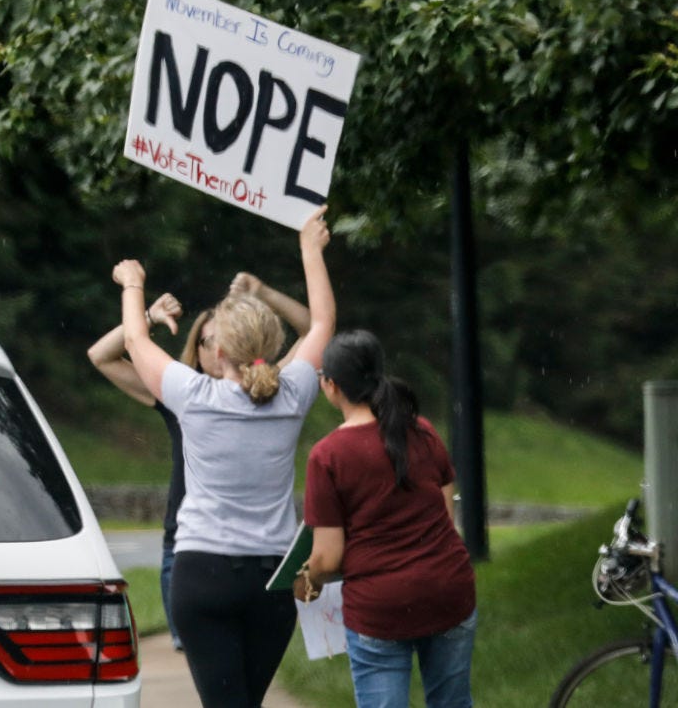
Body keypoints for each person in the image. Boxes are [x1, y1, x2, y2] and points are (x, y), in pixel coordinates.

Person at [111, 206, 335, 707]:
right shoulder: (293, 394)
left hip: (203, 574)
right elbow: (322, 322)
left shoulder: (193, 395)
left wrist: (133, 284)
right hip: (273, 579)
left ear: (218, 352)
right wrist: (309, 250)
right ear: (270, 344)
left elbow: (134, 339)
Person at [87, 277, 311, 652]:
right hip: (188, 547)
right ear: (201, 349)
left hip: (254, 554)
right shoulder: (178, 392)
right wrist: (146, 317)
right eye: (211, 340)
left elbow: (311, 330)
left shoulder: (269, 391)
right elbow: (101, 355)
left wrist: (262, 292)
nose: (222, 346)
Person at [294, 329, 477, 708]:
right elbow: (446, 519)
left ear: (331, 385)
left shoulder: (328, 456)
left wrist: (305, 581)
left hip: (380, 610)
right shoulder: (421, 430)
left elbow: (328, 557)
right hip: (449, 592)